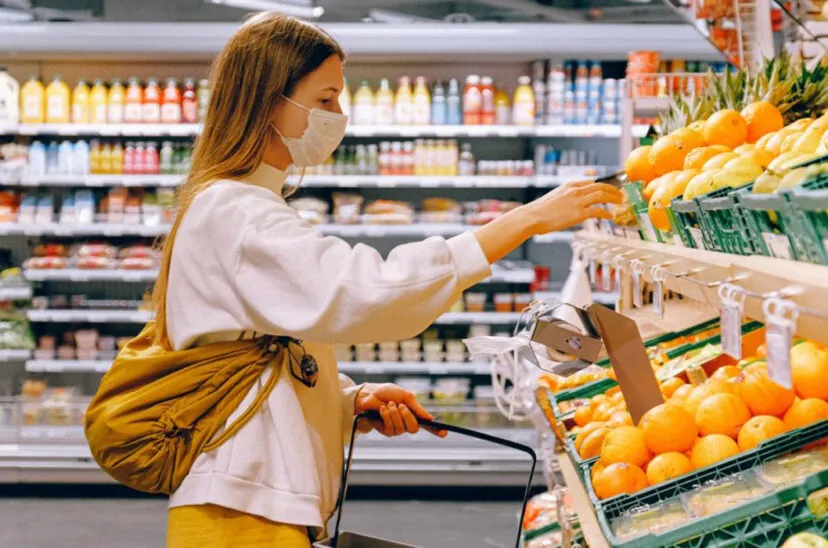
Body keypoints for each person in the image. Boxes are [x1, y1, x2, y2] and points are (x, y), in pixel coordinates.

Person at [160, 12, 622, 548]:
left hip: (255, 499)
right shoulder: (236, 212)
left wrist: (346, 401)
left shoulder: (246, 204)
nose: (339, 116)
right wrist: (526, 219)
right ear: (269, 102)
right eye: (326, 99)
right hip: (239, 509)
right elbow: (365, 293)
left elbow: (259, 357)